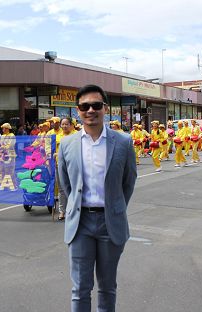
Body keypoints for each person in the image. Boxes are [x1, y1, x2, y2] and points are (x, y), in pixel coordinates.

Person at [58, 84, 137, 312]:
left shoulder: (122, 142)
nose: (90, 110)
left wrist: (115, 207)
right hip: (80, 223)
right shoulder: (67, 144)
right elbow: (66, 184)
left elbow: (128, 181)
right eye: (84, 106)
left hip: (109, 223)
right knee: (80, 288)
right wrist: (74, 207)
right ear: (77, 110)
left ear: (105, 108)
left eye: (96, 105)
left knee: (107, 287)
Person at [55, 117, 78, 221]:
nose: (64, 126)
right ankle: (62, 211)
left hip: (72, 166)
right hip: (58, 165)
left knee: (74, 187)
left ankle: (73, 209)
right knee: (61, 189)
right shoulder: (57, 136)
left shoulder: (76, 136)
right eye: (62, 124)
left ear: (71, 125)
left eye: (66, 124)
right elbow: (50, 149)